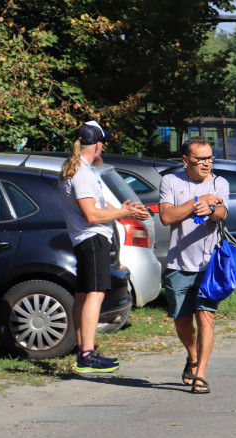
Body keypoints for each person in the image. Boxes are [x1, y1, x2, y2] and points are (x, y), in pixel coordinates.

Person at [58, 121, 150, 374]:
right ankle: (87, 354)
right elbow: (90, 214)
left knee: (83, 294)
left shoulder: (76, 169)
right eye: (102, 144)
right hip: (92, 239)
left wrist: (125, 211)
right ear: (97, 145)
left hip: (85, 239)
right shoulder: (83, 173)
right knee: (95, 294)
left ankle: (83, 350)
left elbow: (97, 209)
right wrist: (122, 211)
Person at [158, 137, 230, 394]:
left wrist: (211, 208)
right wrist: (195, 203)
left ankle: (201, 374)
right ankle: (192, 355)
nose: (206, 163)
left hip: (209, 265)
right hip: (178, 263)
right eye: (200, 158)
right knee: (182, 319)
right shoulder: (171, 181)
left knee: (205, 315)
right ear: (186, 160)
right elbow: (166, 217)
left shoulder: (220, 183)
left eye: (210, 157)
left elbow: (222, 214)